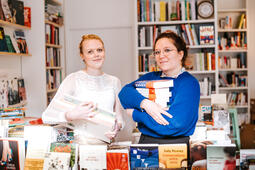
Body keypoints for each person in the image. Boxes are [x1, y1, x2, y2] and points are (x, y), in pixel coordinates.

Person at [118, 31, 200, 145]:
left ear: (180, 54)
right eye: (157, 52)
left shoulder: (189, 83)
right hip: (146, 143)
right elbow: (124, 93)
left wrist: (135, 114)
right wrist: (146, 104)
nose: (161, 55)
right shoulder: (151, 77)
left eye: (167, 50)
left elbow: (173, 125)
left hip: (175, 148)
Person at [42, 34, 123, 144]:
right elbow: (47, 116)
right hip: (79, 147)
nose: (96, 55)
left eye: (99, 50)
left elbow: (119, 118)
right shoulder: (73, 79)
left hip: (106, 146)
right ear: (82, 55)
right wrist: (71, 115)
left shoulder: (114, 81)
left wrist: (116, 128)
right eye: (90, 52)